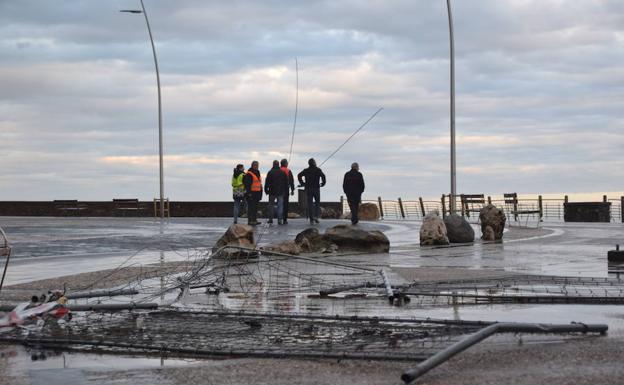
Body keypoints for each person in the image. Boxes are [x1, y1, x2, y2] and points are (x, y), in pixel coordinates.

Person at [297, 158, 326, 224]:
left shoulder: (306, 170)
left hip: (309, 189)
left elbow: (299, 175)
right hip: (316, 188)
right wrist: (322, 183)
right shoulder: (318, 170)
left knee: (310, 204)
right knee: (317, 203)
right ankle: (316, 216)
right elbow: (323, 176)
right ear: (314, 163)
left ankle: (311, 219)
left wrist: (302, 183)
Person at [264, 160, 288, 225]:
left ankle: (270, 219)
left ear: (273, 164)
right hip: (281, 192)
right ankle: (279, 220)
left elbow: (267, 182)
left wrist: (266, 190)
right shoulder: (282, 172)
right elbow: (286, 183)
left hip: (272, 192)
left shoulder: (270, 172)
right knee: (280, 206)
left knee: (271, 206)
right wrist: (285, 191)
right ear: (278, 164)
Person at [243, 161, 263, 225]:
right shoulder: (249, 173)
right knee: (251, 207)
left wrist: (260, 192)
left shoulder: (258, 172)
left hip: (257, 193)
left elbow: (259, 183)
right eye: (256, 165)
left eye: (257, 165)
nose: (257, 167)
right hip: (251, 193)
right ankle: (250, 220)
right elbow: (247, 184)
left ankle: (254, 219)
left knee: (255, 207)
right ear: (252, 166)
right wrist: (249, 193)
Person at [280, 159, 295, 224]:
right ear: (286, 164)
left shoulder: (278, 170)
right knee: (285, 204)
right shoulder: (288, 171)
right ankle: (285, 219)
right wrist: (292, 190)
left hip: (278, 190)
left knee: (280, 204)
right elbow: (291, 181)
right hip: (286, 189)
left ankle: (279, 218)